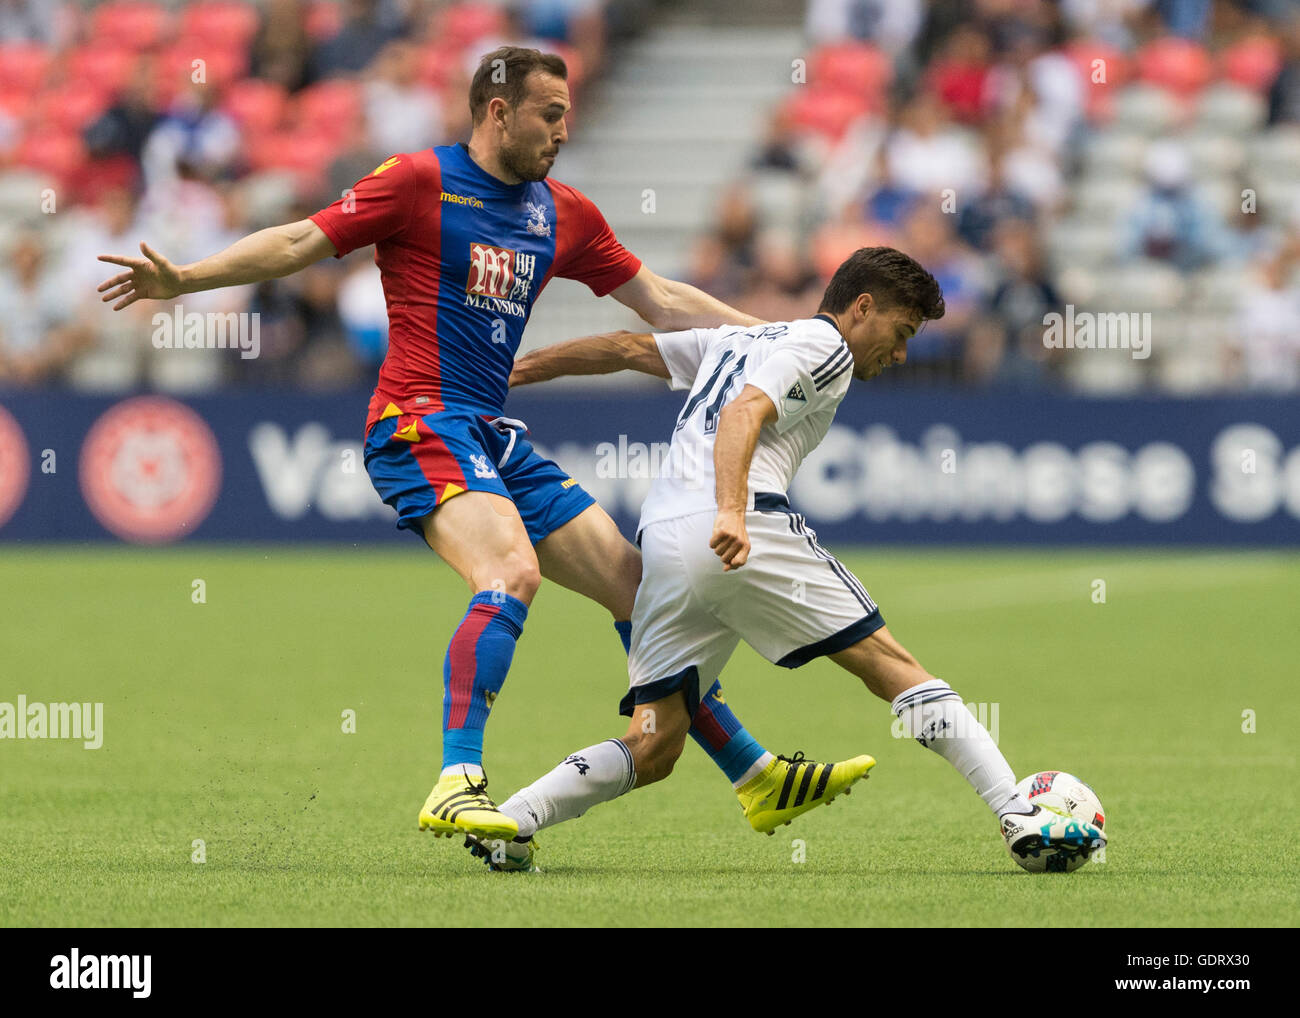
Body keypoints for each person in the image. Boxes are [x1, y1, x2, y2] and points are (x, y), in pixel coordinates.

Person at [96, 46, 863, 844]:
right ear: (498, 112)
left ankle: (752, 771)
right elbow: (299, 242)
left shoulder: (562, 211)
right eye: (550, 115)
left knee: (640, 590)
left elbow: (663, 303)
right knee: (510, 572)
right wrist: (185, 280)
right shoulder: (418, 181)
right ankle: (457, 777)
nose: (564, 131)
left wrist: (785, 340)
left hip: (489, 432)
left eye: (567, 114)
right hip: (416, 421)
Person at [478, 246, 1106, 872]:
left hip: (664, 538)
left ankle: (513, 820)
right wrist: (729, 510)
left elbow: (625, 346)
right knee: (892, 666)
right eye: (902, 331)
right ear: (862, 308)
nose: (902, 353)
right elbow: (743, 412)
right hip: (740, 526)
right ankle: (1015, 809)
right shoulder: (824, 347)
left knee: (656, 742)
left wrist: (516, 370)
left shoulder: (745, 338)